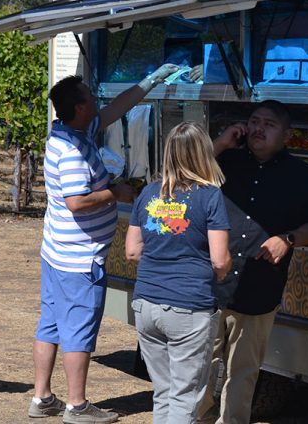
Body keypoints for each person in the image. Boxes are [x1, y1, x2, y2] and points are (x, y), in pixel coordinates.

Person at [29, 64, 178, 424]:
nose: (97, 100)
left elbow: (116, 110)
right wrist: (116, 192)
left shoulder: (71, 130)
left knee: (50, 324)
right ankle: (77, 406)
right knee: (78, 332)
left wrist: (150, 81)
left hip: (57, 252)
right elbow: (76, 201)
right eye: (90, 97)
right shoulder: (71, 152)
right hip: (78, 259)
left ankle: (42, 397)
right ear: (80, 107)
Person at [196, 100, 308, 424]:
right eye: (254, 121)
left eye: (268, 124)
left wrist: (289, 239)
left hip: (260, 287)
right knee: (200, 365)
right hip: (212, 283)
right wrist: (223, 140)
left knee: (243, 371)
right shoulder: (226, 160)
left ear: (287, 135)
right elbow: (187, 170)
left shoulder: (303, 176)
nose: (258, 128)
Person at [125, 121, 231, 424]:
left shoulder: (147, 194)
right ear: (204, 154)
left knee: (163, 391)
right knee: (185, 395)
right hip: (189, 305)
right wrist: (217, 276)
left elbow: (132, 251)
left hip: (146, 302)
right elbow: (220, 259)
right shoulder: (210, 196)